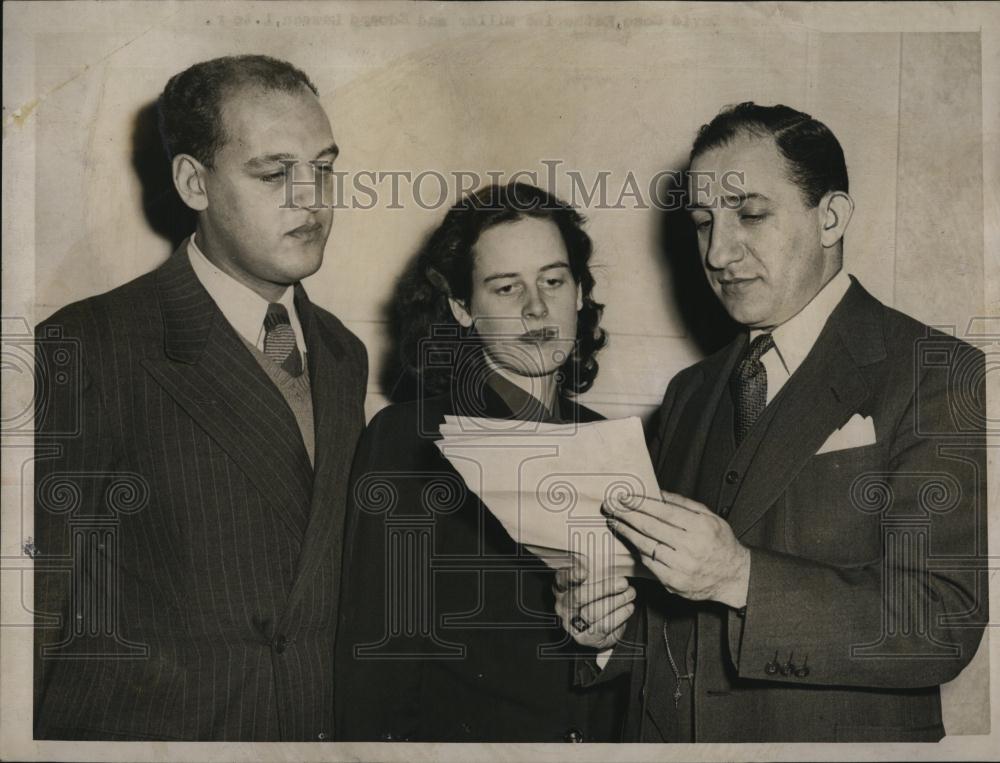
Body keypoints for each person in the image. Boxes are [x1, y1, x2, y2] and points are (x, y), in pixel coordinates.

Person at [555, 102, 987, 742]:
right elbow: (676, 626)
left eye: (751, 214)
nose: (719, 252)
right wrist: (607, 631)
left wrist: (741, 577)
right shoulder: (689, 393)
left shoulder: (936, 371)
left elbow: (941, 622)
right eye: (702, 222)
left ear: (831, 217)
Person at [33, 55, 368, 741]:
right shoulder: (91, 344)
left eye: (324, 167)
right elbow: (34, 606)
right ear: (194, 182)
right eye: (276, 173)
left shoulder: (342, 355)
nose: (312, 198)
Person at [334, 182, 629, 742]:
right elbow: (376, 664)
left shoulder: (618, 443)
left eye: (553, 279)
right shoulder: (408, 442)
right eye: (505, 287)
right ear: (462, 307)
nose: (537, 307)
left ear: (580, 292)